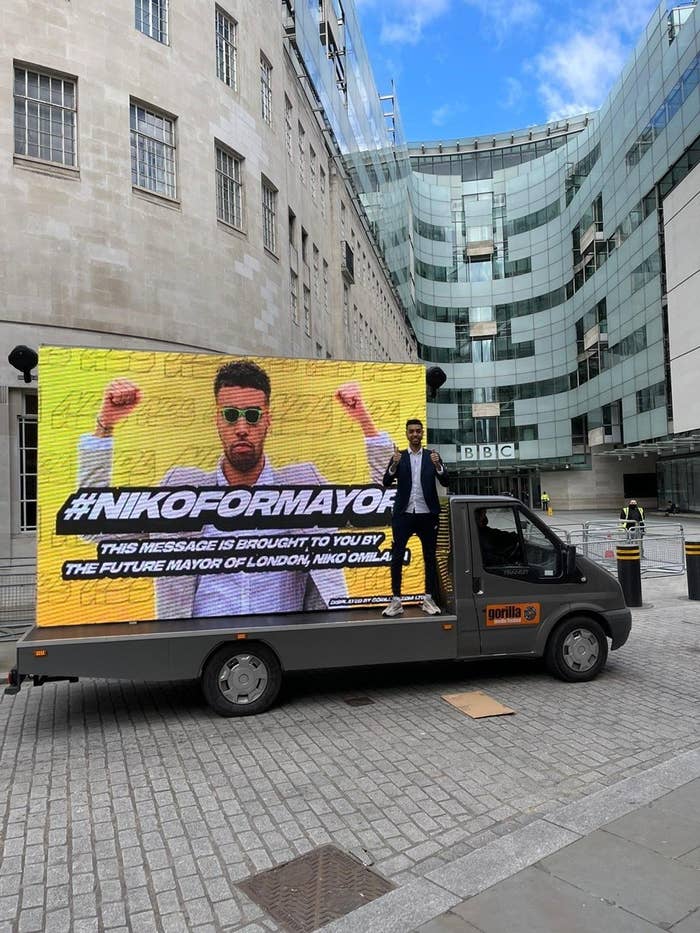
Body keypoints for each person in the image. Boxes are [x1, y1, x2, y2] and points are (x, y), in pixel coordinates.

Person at [78, 361, 393, 618]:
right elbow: (95, 528)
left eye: (253, 416)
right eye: (230, 415)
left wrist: (365, 422)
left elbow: (382, 508)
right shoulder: (181, 488)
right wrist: (105, 425)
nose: (242, 427)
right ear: (217, 420)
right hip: (200, 638)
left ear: (267, 420)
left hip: (293, 639)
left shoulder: (303, 482)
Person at [381, 419, 449, 617]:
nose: (415, 435)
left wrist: (438, 466)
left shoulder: (432, 456)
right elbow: (386, 482)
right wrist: (393, 464)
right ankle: (396, 601)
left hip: (427, 515)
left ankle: (428, 598)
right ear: (406, 434)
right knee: (396, 557)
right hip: (403, 515)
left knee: (429, 557)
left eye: (418, 431)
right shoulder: (399, 456)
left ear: (422, 433)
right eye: (411, 431)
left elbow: (445, 480)